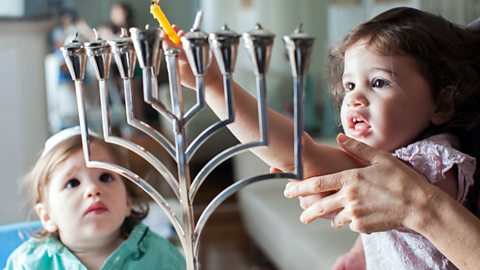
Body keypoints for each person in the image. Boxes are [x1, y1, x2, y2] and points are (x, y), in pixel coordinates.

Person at [163, 6, 480, 269]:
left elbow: (299, 155)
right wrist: (359, 255)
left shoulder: (432, 164)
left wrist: (216, 85)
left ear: (442, 103)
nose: (354, 99)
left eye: (380, 82)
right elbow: (389, 220)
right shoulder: (401, 164)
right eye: (350, 86)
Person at [4, 127, 185, 269]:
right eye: (72, 183)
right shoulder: (27, 264)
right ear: (47, 216)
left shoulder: (159, 256)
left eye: (106, 177)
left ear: (127, 201)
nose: (93, 189)